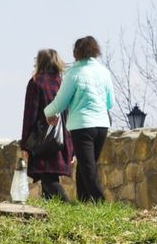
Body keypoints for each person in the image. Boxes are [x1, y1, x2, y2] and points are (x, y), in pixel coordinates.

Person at [44, 36, 114, 203]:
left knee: (88, 169)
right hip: (102, 126)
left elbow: (60, 101)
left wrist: (48, 112)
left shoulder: (74, 73)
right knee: (85, 166)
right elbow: (110, 102)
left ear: (76, 53)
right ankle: (84, 202)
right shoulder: (104, 72)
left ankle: (101, 203)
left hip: (82, 126)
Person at [20, 49, 74, 201]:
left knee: (48, 179)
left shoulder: (36, 82)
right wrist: (72, 147)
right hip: (61, 138)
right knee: (49, 178)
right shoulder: (61, 82)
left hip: (42, 138)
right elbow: (68, 113)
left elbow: (30, 115)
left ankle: (67, 208)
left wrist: (25, 145)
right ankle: (50, 214)